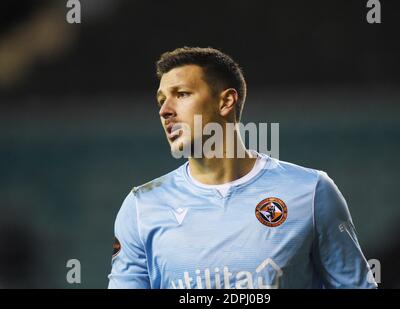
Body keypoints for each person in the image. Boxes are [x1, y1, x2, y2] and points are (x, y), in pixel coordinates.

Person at [107, 47, 377, 289]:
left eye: (181, 94)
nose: (164, 110)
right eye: (161, 100)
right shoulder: (141, 207)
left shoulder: (311, 191)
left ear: (226, 102)